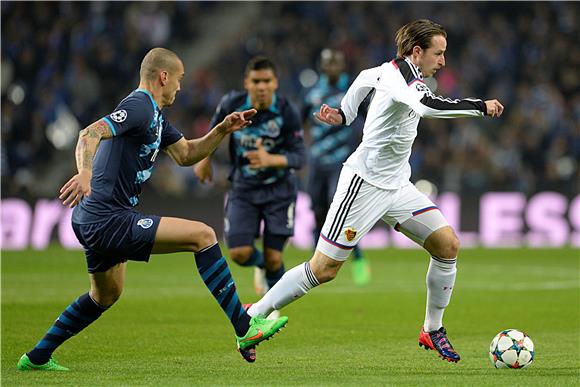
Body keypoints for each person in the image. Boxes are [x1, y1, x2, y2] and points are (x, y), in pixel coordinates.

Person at [246, 19, 505, 363]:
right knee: (323, 269)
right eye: (438, 54)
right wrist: (479, 105)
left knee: (447, 245)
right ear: (417, 52)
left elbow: (352, 102)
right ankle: (252, 316)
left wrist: (338, 115)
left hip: (397, 184)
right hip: (364, 184)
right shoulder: (402, 77)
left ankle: (432, 328)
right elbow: (428, 107)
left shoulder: (379, 72)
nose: (442, 61)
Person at [16, 48, 288, 371]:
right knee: (203, 235)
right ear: (164, 77)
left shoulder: (156, 117)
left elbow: (186, 154)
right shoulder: (139, 106)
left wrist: (222, 130)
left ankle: (36, 357)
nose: (180, 87)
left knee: (105, 295)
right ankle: (244, 327)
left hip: (96, 217)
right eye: (179, 79)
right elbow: (89, 133)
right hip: (108, 217)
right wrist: (85, 173)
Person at [194, 56, 305, 317]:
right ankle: (262, 265)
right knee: (240, 253)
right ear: (247, 83)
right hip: (243, 188)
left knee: (275, 258)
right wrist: (204, 159)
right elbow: (214, 132)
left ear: (275, 82)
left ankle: (271, 305)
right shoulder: (231, 104)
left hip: (279, 190)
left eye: (267, 80)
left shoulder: (288, 110)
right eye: (256, 81)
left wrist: (271, 159)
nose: (262, 86)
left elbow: (300, 156)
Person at [302, 48, 371, 286]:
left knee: (339, 209)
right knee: (318, 210)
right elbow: (300, 122)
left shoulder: (351, 91)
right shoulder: (312, 93)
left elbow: (370, 118)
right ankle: (316, 261)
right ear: (321, 65)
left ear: (343, 65)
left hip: (343, 162)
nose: (332, 66)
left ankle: (358, 257)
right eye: (328, 62)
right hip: (317, 161)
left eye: (336, 62)